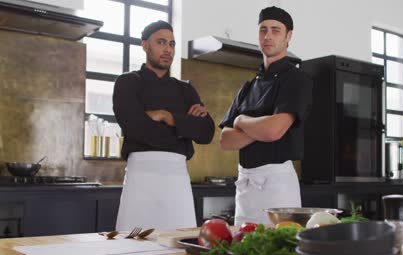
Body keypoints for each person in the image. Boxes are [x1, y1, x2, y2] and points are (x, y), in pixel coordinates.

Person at [113, 20, 215, 230]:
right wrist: (184, 128)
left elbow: (206, 132)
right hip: (140, 180)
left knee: (179, 249)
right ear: (145, 45)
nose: (168, 49)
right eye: (161, 42)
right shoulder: (127, 82)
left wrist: (168, 117)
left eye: (172, 44)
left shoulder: (186, 89)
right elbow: (135, 128)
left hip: (177, 182)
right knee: (133, 251)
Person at [219, 6, 313, 225]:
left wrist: (241, 121)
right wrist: (262, 128)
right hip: (246, 187)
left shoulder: (297, 80)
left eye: (275, 30)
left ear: (288, 36)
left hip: (278, 187)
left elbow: (274, 130)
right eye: (263, 30)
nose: (268, 35)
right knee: (243, 251)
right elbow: (225, 140)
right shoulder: (247, 87)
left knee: (276, 253)